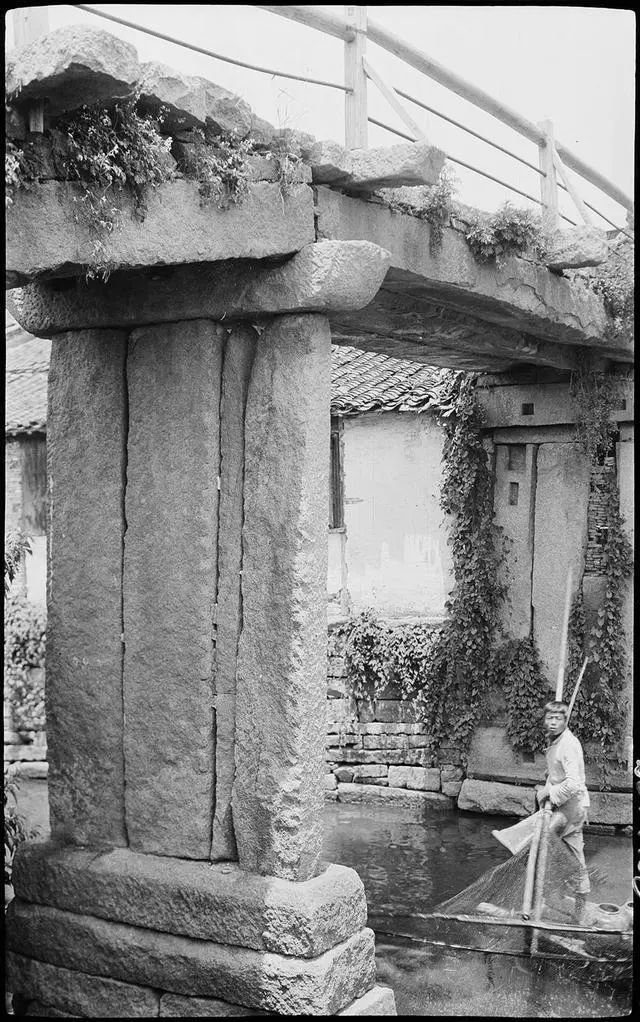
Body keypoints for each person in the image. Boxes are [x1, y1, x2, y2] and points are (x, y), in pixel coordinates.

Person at [536, 700, 591, 922]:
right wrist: (550, 779)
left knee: (575, 857)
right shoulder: (555, 740)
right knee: (553, 848)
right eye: (549, 718)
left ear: (565, 721)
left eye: (558, 719)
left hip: (573, 806)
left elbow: (573, 784)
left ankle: (580, 913)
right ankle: (553, 896)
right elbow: (557, 771)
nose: (552, 723)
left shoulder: (568, 744)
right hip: (563, 805)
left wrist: (549, 792)